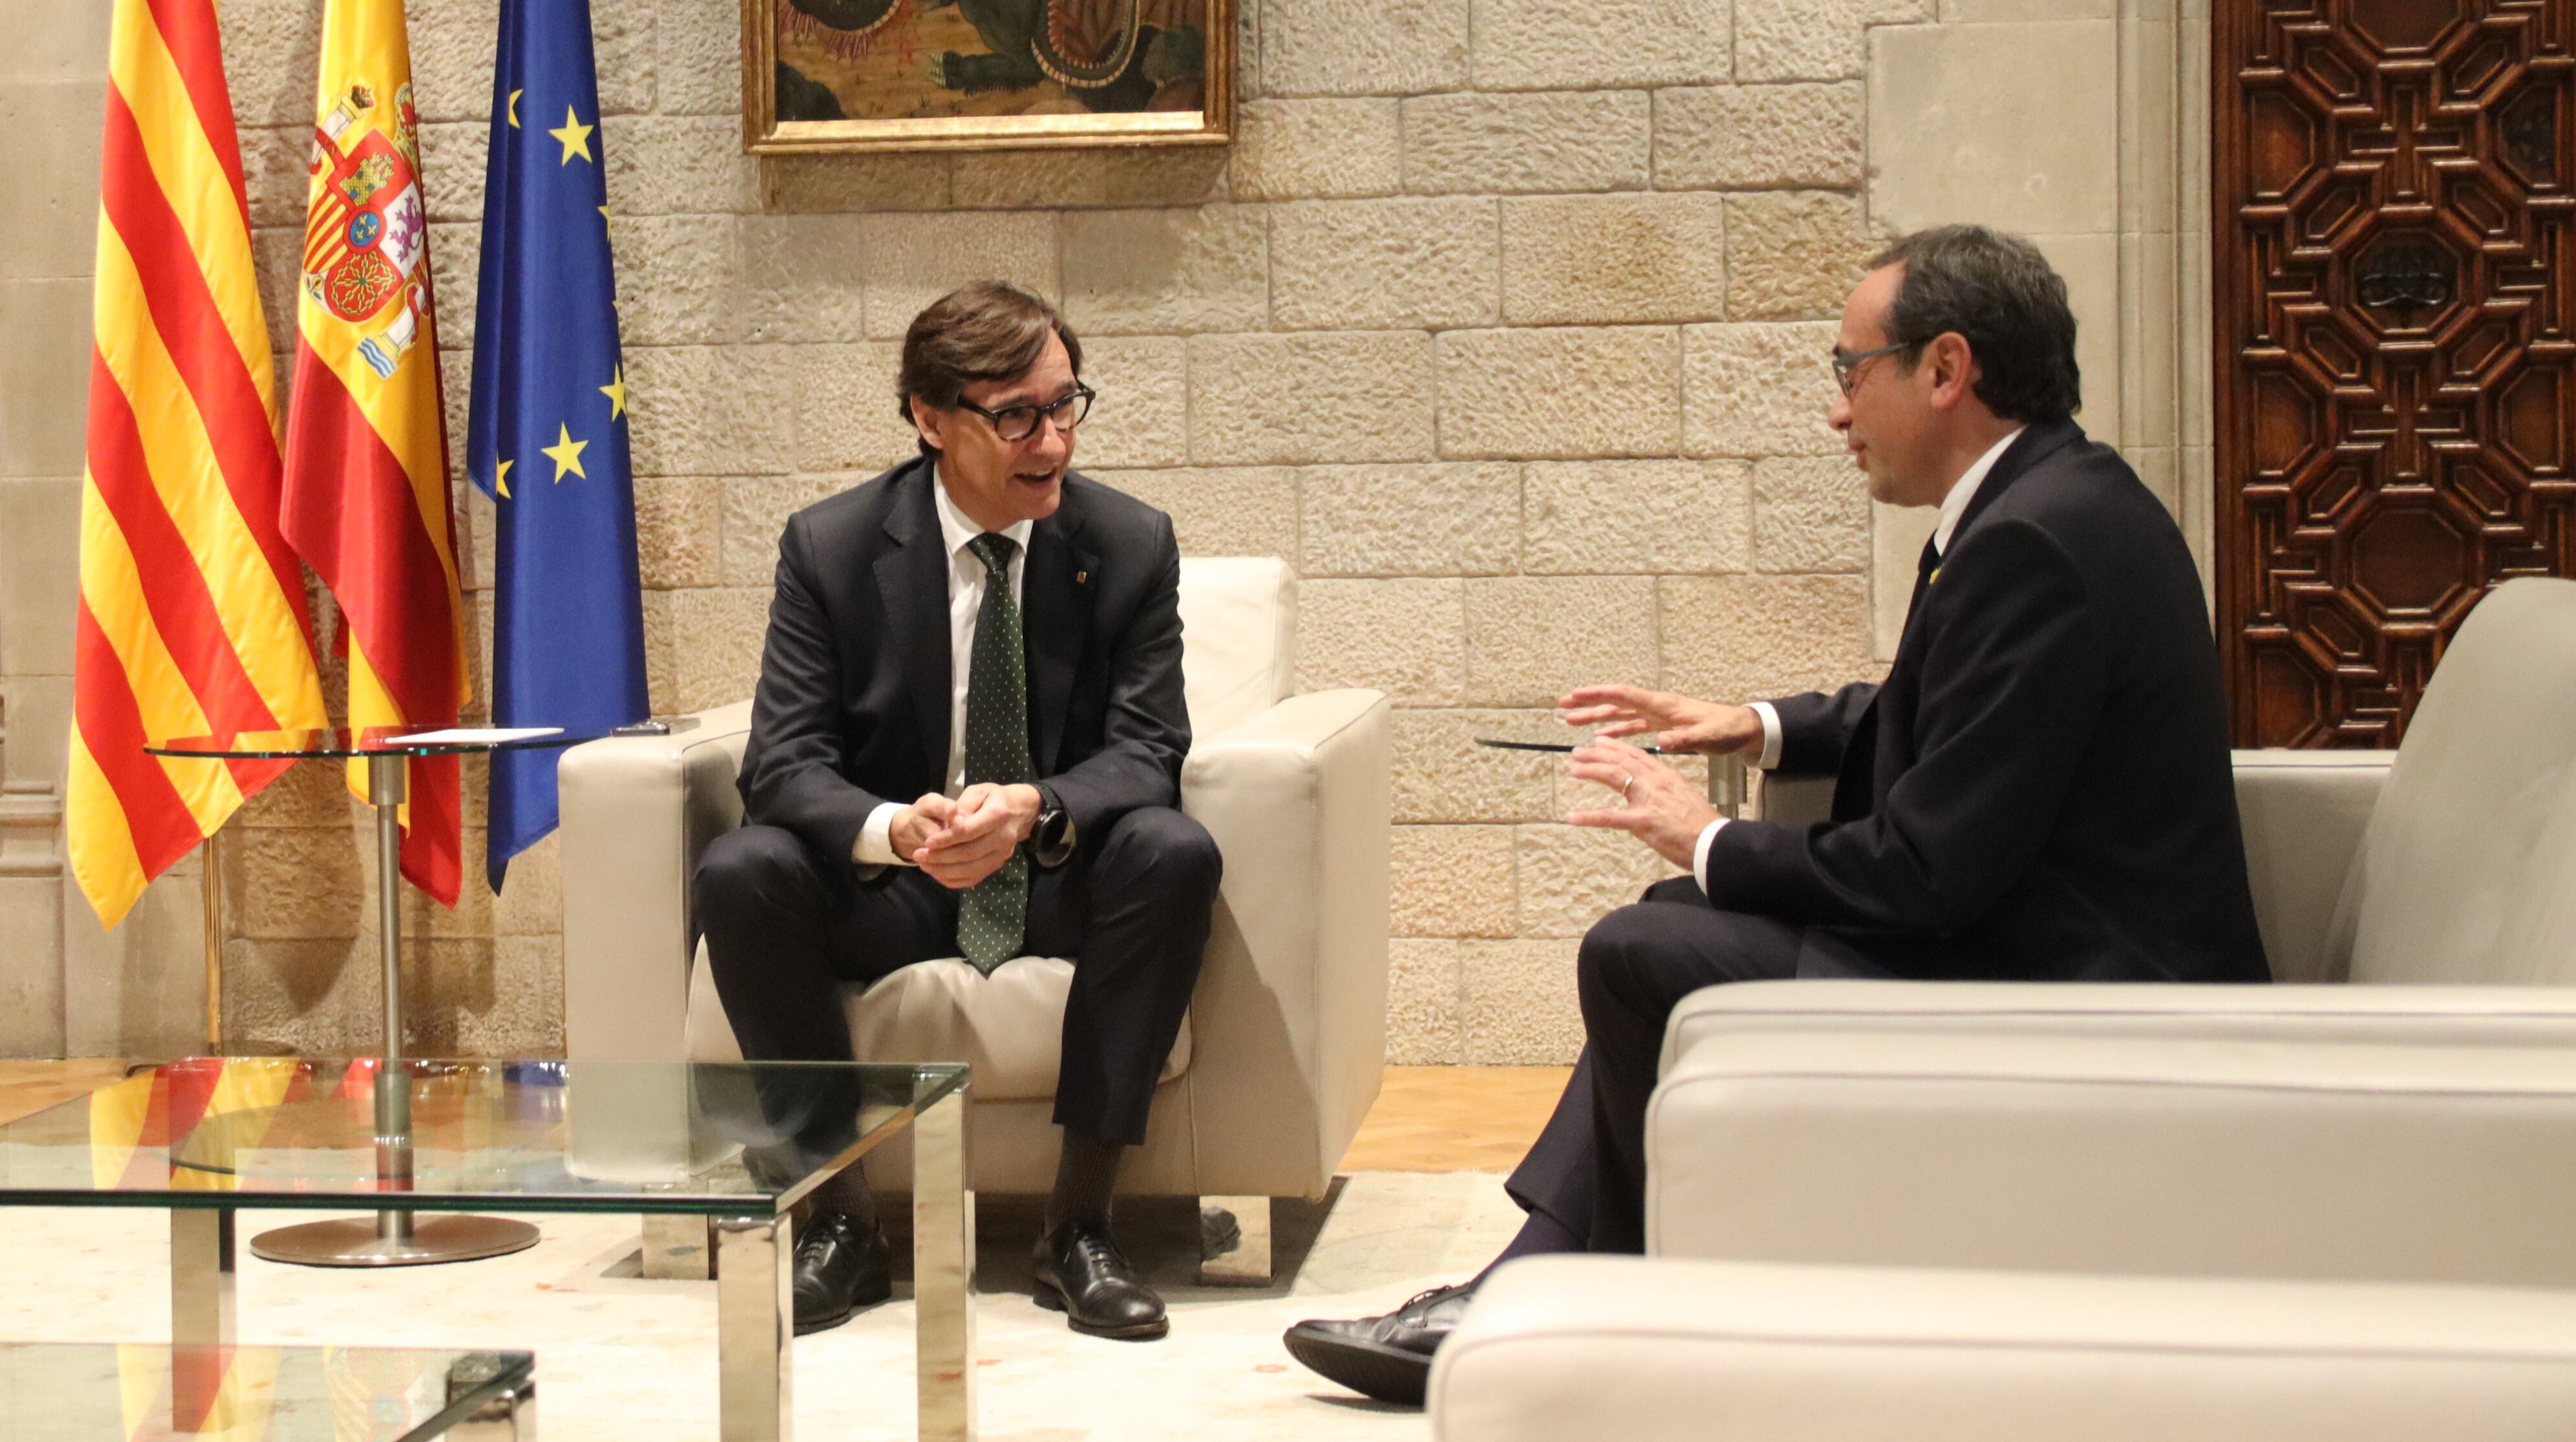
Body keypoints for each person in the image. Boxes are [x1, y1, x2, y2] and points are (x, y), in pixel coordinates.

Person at [1284, 224, 2270, 1405]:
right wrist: (1761, 724)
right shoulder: (2052, 500)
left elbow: (1927, 873)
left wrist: (1703, 832)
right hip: (2042, 943)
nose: (1838, 411)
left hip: (2082, 994)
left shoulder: (2035, 544)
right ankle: (1546, 1287)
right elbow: (1954, 714)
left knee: (1649, 939)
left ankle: (1586, 1300)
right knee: (1665, 932)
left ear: (1945, 369)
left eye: (1850, 371)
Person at [695, 280, 1218, 1342]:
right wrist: (900, 829)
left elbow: (1151, 750)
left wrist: (1035, 807)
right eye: (1016, 414)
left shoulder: (1128, 543)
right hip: (898, 888)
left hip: (1056, 879)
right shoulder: (833, 549)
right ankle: (839, 1221)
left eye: (1067, 405)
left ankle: (1080, 1227)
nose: (1053, 441)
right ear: (930, 420)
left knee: (1173, 849)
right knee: (743, 870)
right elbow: (784, 763)